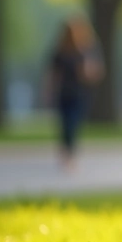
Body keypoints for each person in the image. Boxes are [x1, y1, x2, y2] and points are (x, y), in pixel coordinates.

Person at [44, 16, 103, 172]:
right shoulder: (61, 52)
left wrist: (86, 72)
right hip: (64, 94)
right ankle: (66, 152)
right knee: (65, 124)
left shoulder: (86, 50)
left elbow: (95, 73)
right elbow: (53, 75)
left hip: (80, 94)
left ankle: (70, 153)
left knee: (73, 123)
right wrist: (48, 92)